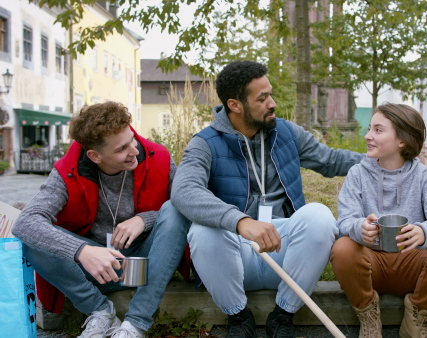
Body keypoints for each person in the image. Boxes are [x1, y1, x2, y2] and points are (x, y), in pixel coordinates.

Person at [171, 60, 363, 338]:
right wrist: (240, 221)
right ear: (235, 105)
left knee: (319, 215)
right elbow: (184, 191)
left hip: (284, 253)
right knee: (203, 230)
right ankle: (239, 318)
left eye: (270, 94)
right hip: (235, 257)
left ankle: (283, 316)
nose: (272, 103)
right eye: (262, 98)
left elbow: (331, 160)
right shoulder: (205, 143)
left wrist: (380, 159)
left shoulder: (286, 132)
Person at [12, 102, 191, 338]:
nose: (134, 150)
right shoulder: (68, 170)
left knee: (174, 209)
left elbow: (187, 206)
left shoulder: (158, 157)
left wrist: (144, 220)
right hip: (96, 269)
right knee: (32, 237)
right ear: (95, 156)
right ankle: (101, 312)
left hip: (150, 262)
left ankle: (135, 324)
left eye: (132, 139)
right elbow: (25, 222)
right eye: (121, 149)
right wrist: (82, 251)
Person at [330, 103, 427, 338]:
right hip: (371, 267)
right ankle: (369, 318)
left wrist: (424, 231)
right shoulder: (357, 174)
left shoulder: (423, 175)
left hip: (412, 264)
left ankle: (417, 319)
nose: (368, 136)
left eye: (378, 130)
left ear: (402, 140)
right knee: (343, 248)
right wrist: (359, 228)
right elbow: (345, 221)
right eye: (370, 129)